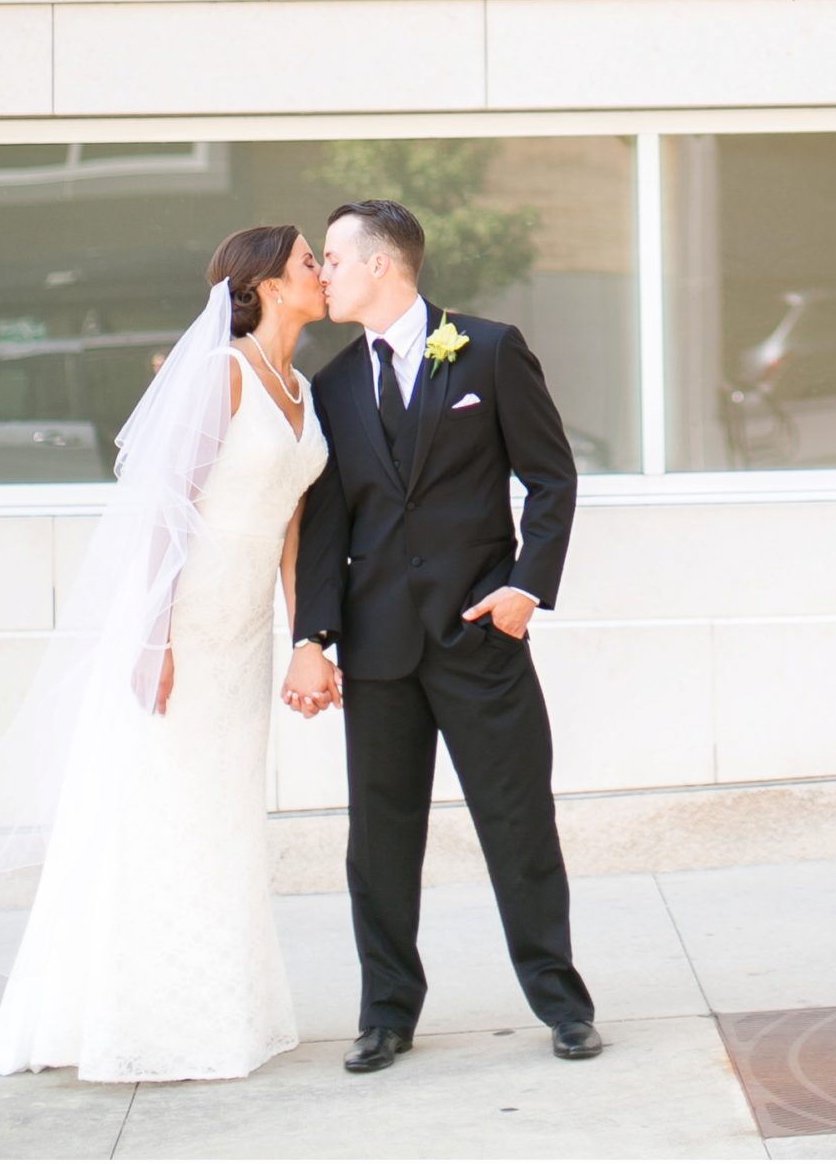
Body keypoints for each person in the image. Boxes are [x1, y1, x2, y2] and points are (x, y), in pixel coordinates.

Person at [0, 226, 329, 1096]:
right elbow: (165, 509)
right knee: (158, 808)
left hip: (244, 635)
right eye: (310, 261)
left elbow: (292, 529)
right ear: (268, 284)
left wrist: (307, 639)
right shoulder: (223, 373)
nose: (323, 272)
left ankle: (227, 1004)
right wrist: (152, 639)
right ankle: (138, 1013)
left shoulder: (300, 387)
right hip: (182, 623)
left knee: (223, 813)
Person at [283, 198, 600, 1071]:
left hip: (479, 640)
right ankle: (385, 1013)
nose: (324, 276)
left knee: (518, 823)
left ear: (381, 265)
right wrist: (313, 634)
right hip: (379, 653)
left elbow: (550, 477)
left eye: (335, 262)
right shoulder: (335, 384)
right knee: (379, 842)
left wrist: (523, 590)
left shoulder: (489, 351)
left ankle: (562, 1003)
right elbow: (327, 526)